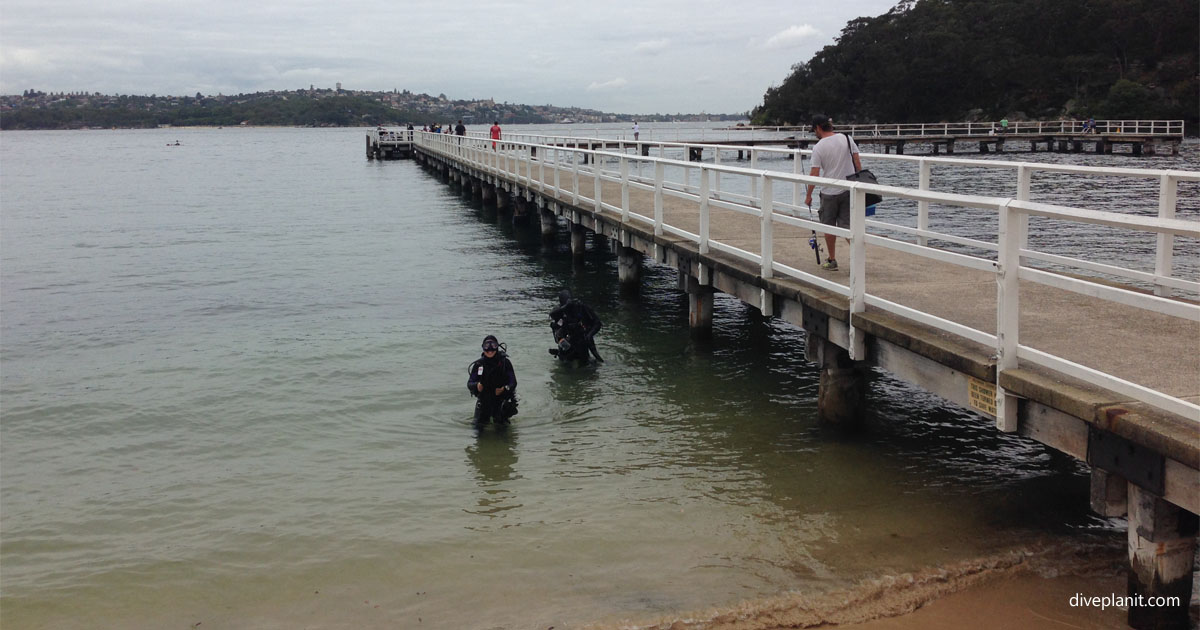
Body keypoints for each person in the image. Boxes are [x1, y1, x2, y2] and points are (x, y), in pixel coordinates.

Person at [804, 115, 862, 271]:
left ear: (818, 128)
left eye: (814, 130)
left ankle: (832, 259)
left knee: (829, 227)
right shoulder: (847, 138)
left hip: (829, 192)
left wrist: (808, 195)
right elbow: (857, 163)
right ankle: (858, 260)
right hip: (848, 189)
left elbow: (815, 173)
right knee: (848, 227)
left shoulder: (819, 147)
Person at [467, 335, 518, 426]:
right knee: (477, 430)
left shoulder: (505, 363)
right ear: (483, 348)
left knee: (502, 432)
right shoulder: (479, 364)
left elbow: (513, 382)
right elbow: (470, 383)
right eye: (487, 346)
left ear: (497, 347)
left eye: (493, 346)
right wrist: (477, 385)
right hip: (483, 402)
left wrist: (504, 388)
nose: (490, 350)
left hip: (501, 401)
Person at [549, 289, 602, 362]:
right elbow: (552, 315)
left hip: (582, 338)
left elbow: (597, 323)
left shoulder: (580, 307)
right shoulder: (559, 310)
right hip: (567, 340)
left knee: (592, 361)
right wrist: (565, 307)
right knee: (565, 359)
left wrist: (590, 335)